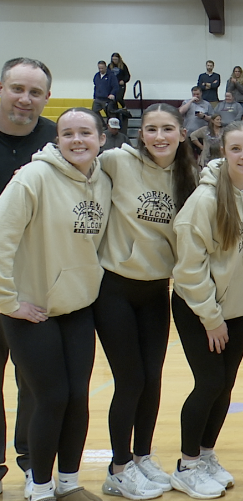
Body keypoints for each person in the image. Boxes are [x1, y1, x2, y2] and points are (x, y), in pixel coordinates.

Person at [0, 108, 112, 501]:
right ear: (57, 140)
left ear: (102, 138)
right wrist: (8, 301)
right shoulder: (33, 178)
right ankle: (41, 486)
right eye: (68, 133)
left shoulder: (103, 181)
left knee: (77, 398)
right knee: (50, 398)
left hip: (77, 308)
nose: (77, 140)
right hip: (32, 310)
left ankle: (68, 482)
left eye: (85, 132)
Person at [95, 103, 198, 499]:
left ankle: (141, 457)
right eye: (151, 129)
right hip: (116, 288)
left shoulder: (188, 174)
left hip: (157, 290)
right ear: (141, 134)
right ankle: (118, 469)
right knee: (130, 380)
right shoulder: (118, 162)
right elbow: (76, 160)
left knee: (151, 380)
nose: (159, 136)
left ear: (181, 133)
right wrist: (41, 161)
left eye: (167, 129)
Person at [169, 121, 243, 499]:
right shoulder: (205, 201)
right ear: (223, 152)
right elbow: (189, 271)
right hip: (199, 309)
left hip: (236, 308)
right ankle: (187, 465)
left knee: (224, 386)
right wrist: (211, 319)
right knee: (208, 384)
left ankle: (206, 456)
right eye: (236, 149)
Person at [0, 57, 56, 490]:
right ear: (1, 89)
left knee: (34, 383)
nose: (25, 98)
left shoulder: (59, 141)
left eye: (35, 92)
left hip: (35, 283)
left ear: (46, 98)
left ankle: (30, 463)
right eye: (17, 88)